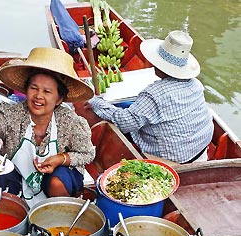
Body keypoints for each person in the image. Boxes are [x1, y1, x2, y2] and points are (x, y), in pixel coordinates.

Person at [0, 47, 96, 207]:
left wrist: (61, 159)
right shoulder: (11, 114)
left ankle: (58, 214)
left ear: (59, 99)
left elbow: (87, 153)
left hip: (54, 177)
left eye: (47, 91)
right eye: (34, 88)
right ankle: (14, 213)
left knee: (57, 181)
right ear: (26, 90)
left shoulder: (70, 121)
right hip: (16, 175)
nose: (38, 96)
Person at [85, 30, 214, 164]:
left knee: (111, 117)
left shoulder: (155, 94)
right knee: (127, 107)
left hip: (173, 158)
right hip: (200, 149)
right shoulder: (196, 84)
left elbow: (125, 123)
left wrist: (97, 102)